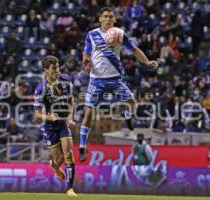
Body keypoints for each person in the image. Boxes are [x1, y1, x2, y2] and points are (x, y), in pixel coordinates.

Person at [79, 7, 158, 161]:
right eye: (106, 16)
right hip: (96, 80)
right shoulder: (92, 35)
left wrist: (147, 62)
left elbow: (134, 50)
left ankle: (127, 116)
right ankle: (82, 147)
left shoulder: (120, 34)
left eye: (111, 17)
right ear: (100, 19)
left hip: (115, 79)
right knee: (88, 112)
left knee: (133, 105)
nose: (109, 19)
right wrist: (86, 62)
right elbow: (86, 52)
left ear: (114, 19)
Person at [34, 55, 77, 196]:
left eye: (58, 66)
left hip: (63, 123)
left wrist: (70, 117)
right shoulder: (41, 88)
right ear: (46, 70)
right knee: (58, 159)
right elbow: (37, 114)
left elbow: (71, 99)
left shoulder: (65, 79)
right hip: (49, 126)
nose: (57, 70)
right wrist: (49, 117)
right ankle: (54, 166)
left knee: (69, 154)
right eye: (54, 68)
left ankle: (70, 189)